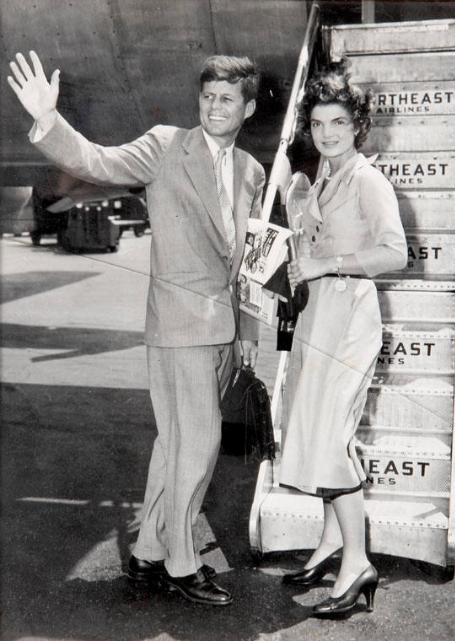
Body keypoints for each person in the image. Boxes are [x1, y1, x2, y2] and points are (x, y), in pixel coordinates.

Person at [7, 50, 265, 606]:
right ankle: (181, 561)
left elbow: (247, 263)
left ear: (246, 108)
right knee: (198, 445)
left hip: (224, 332)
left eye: (227, 100)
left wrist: (247, 331)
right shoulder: (166, 145)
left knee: (175, 445)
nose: (215, 107)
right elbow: (97, 162)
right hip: (178, 326)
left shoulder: (251, 171)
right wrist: (49, 121)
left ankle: (147, 553)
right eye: (207, 97)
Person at [279, 58, 407, 618]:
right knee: (317, 433)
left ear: (357, 124)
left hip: (350, 323)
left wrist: (326, 263)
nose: (326, 134)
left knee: (331, 440)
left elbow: (394, 253)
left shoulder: (367, 179)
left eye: (337, 122)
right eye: (318, 124)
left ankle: (357, 563)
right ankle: (331, 542)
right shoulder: (324, 179)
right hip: (317, 320)